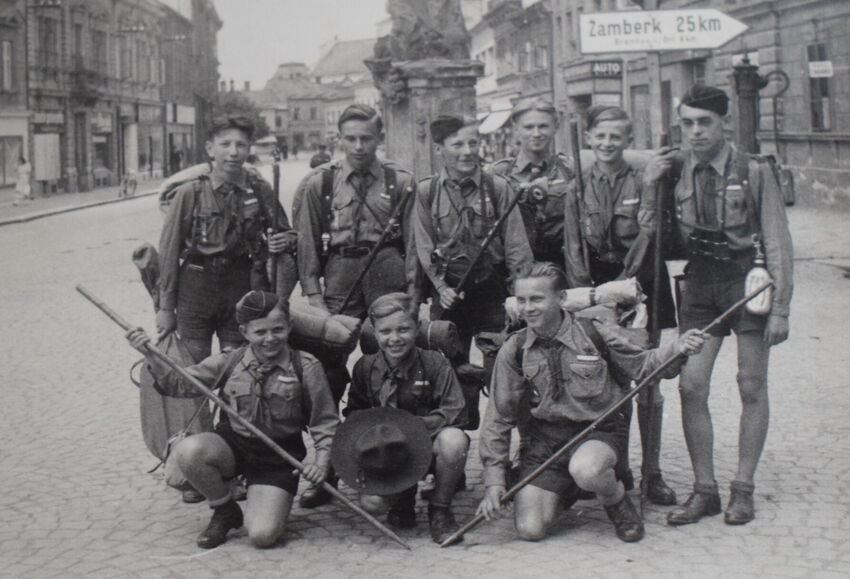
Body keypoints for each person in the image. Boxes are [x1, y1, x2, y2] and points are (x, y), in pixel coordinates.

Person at [644, 84, 793, 527]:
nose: (694, 131)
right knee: (691, 386)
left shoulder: (753, 169)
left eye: (704, 122)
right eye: (686, 123)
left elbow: (779, 240)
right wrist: (649, 182)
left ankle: (742, 490)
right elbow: (650, 229)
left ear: (723, 122)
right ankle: (704, 489)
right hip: (699, 284)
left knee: (751, 384)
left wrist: (781, 307)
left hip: (748, 281)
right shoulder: (673, 169)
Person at [477, 263, 707, 543]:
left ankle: (616, 499)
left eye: (537, 299)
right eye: (522, 300)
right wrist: (495, 481)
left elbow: (644, 365)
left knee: (585, 468)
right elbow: (499, 416)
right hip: (545, 445)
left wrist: (677, 348)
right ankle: (567, 488)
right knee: (530, 529)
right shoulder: (514, 350)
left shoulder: (592, 334)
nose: (528, 308)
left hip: (598, 432)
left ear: (561, 299)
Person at [125, 291, 339, 549]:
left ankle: (259, 497)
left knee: (262, 535)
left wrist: (321, 463)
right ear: (245, 332)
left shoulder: (306, 366)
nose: (270, 339)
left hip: (278, 456)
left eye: (277, 330)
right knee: (189, 452)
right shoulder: (229, 362)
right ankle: (224, 509)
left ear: (289, 327)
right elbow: (178, 384)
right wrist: (150, 354)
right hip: (233, 446)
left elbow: (325, 421)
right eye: (260, 332)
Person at [294, 103, 417, 508]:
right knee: (326, 372)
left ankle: (395, 465)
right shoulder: (321, 183)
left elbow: (416, 244)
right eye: (351, 138)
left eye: (367, 138)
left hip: (388, 271)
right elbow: (307, 242)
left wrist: (414, 295)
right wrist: (314, 298)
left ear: (379, 138)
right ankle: (326, 466)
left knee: (392, 363)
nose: (359, 146)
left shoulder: (401, 181)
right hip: (340, 274)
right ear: (339, 139)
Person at [563, 105, 678, 505]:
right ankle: (615, 467)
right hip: (595, 289)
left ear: (627, 141)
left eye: (616, 137)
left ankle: (653, 474)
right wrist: (589, 300)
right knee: (598, 380)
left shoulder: (646, 180)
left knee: (648, 382)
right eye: (601, 136)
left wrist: (623, 289)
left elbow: (648, 232)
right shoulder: (578, 183)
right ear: (589, 140)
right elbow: (573, 246)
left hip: (641, 283)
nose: (608, 143)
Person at [157, 115, 298, 365]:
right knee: (193, 366)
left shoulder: (259, 188)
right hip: (196, 286)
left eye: (241, 145)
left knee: (238, 366)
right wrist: (166, 308)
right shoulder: (190, 192)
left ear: (248, 149)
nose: (233, 152)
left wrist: (282, 241)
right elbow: (168, 252)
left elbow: (287, 232)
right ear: (210, 148)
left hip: (241, 284)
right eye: (225, 144)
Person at [413, 114, 533, 404]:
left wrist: (519, 296)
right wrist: (441, 289)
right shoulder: (427, 192)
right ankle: (457, 440)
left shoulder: (498, 188)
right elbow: (424, 245)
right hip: (449, 296)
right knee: (448, 375)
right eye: (457, 144)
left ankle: (500, 440)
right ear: (439, 148)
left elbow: (517, 245)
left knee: (503, 374)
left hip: (492, 292)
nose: (467, 151)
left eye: (473, 143)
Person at [345, 293, 468, 543]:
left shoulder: (435, 363)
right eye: (385, 331)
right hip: (388, 454)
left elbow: (454, 410)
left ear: (417, 327)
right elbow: (353, 415)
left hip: (427, 444)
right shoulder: (365, 368)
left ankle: (440, 508)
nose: (394, 339)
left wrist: (409, 427)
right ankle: (402, 500)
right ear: (375, 332)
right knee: (372, 502)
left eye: (403, 329)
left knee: (454, 440)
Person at [491, 98, 574, 265]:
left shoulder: (570, 170)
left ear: (555, 127)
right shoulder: (498, 174)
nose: (536, 134)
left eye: (543, 126)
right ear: (516, 129)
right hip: (517, 267)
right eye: (528, 127)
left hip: (563, 264)